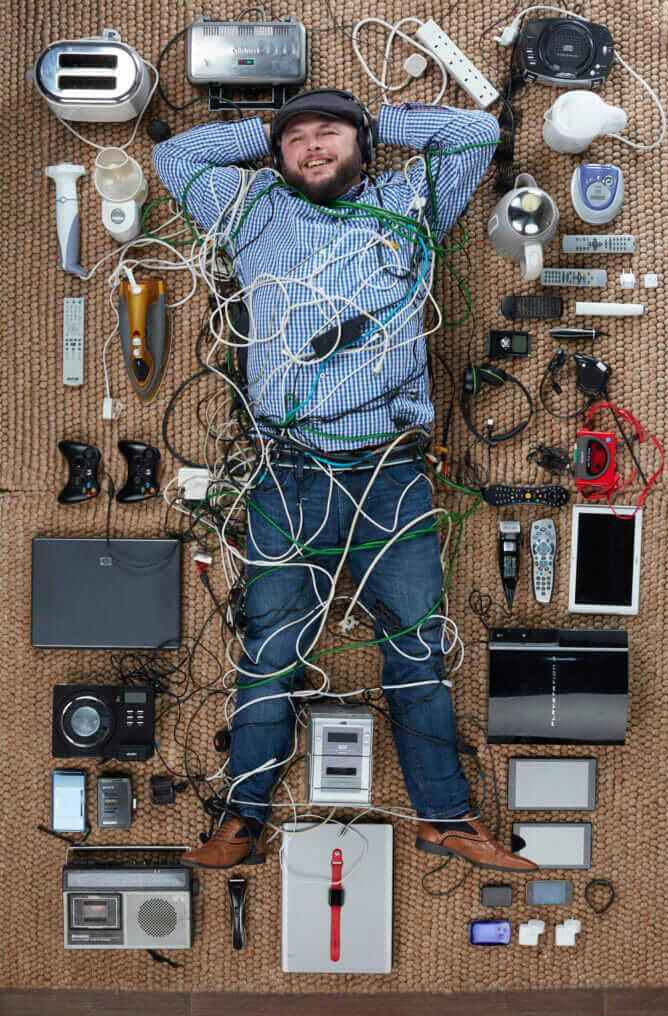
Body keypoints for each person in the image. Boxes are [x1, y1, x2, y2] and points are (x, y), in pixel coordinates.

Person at [152, 89, 537, 874]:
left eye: (327, 132)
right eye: (295, 139)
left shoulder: (409, 202)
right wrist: (263, 131)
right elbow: (174, 157)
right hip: (287, 471)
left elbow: (472, 132)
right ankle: (242, 820)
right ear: (277, 155)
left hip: (391, 472)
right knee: (268, 654)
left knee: (416, 653)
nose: (311, 146)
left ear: (361, 143)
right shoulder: (250, 208)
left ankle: (446, 819)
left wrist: (374, 120)